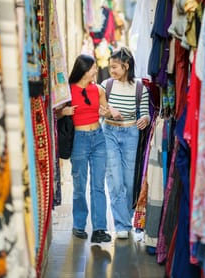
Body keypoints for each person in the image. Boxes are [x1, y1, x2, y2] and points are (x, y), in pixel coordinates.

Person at [59, 54, 111, 243]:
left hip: (98, 138)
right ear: (84, 70)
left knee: (98, 186)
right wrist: (63, 112)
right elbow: (55, 113)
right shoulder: (68, 91)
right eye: (93, 67)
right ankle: (79, 225)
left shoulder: (98, 90)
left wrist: (107, 112)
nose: (96, 70)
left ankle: (99, 228)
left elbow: (107, 110)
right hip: (79, 140)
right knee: (80, 186)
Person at [100, 47, 150, 239]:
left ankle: (127, 219)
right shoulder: (106, 85)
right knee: (115, 180)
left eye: (114, 67)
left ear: (126, 66)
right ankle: (122, 225)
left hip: (131, 134)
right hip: (109, 132)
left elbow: (144, 112)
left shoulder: (140, 88)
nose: (111, 70)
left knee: (130, 181)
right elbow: (100, 106)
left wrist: (144, 119)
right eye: (110, 67)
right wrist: (107, 111)